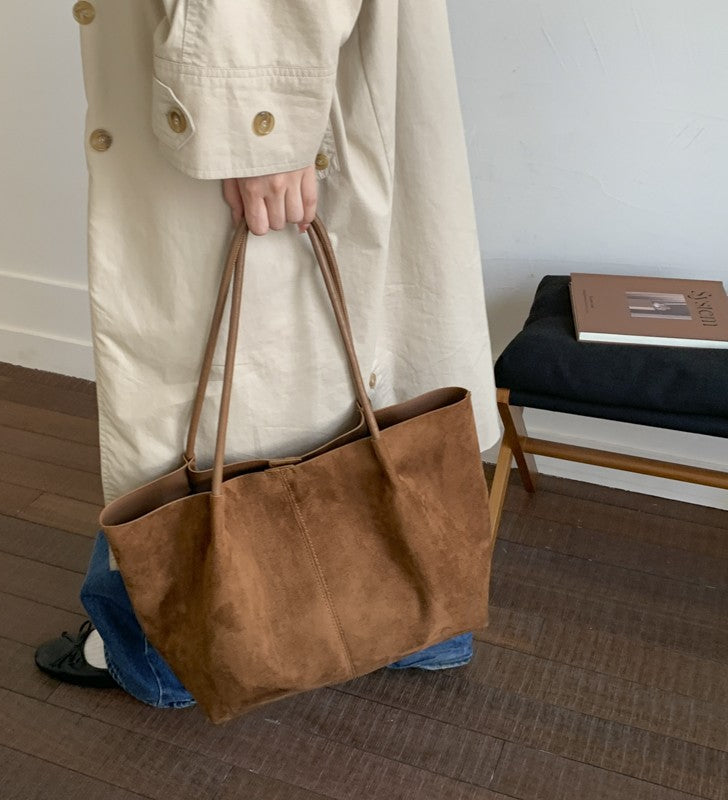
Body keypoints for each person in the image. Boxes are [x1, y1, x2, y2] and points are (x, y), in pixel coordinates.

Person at [34, 0, 501, 707]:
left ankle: (162, 655)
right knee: (370, 349)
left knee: (210, 391)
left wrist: (263, 124)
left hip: (245, 86)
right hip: (280, 69)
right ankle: (424, 620)